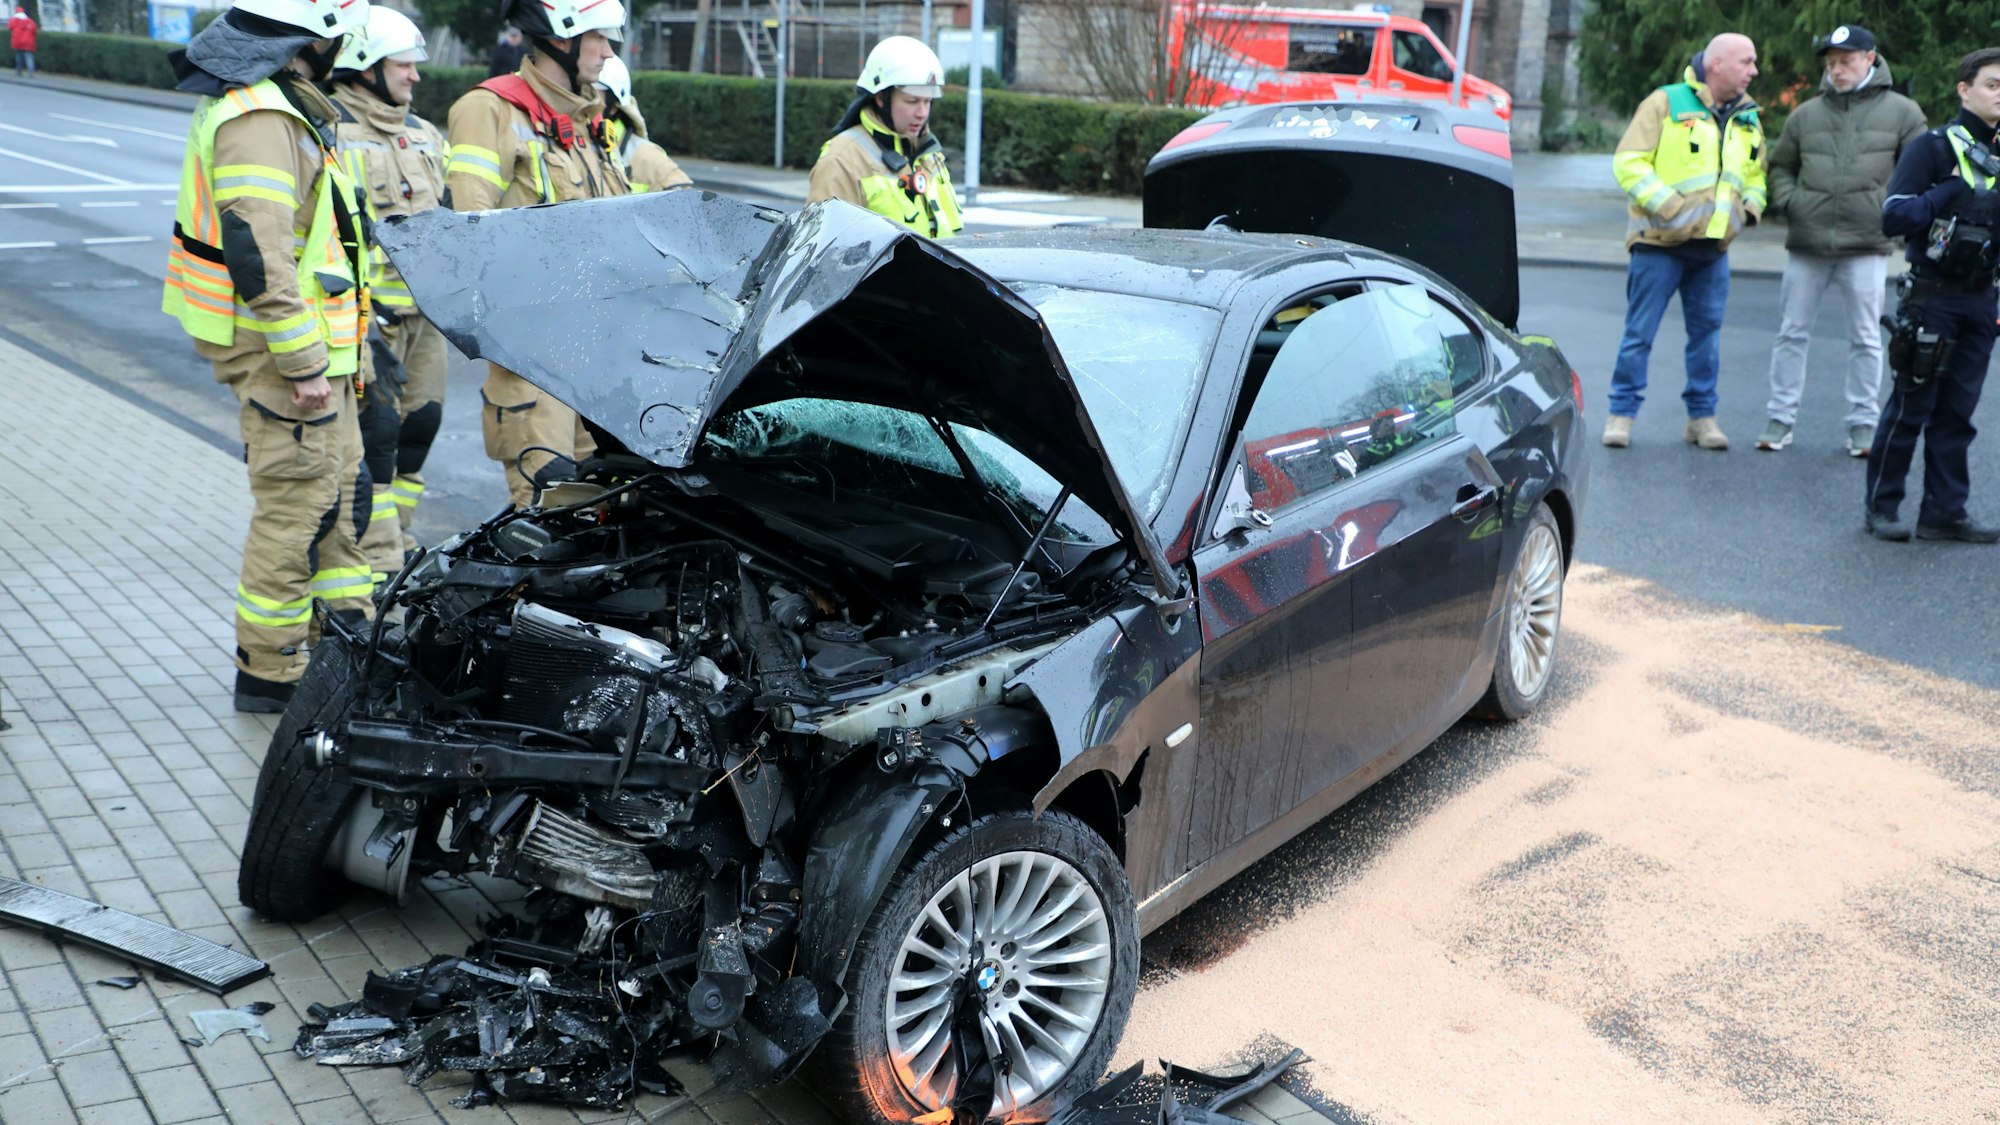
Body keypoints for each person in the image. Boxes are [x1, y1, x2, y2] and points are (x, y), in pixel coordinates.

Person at [160, 0, 376, 712]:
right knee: (299, 507)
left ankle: (344, 640)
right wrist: (305, 363)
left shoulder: (287, 107)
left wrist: (344, 357)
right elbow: (260, 252)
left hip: (318, 352)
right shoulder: (263, 117)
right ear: (306, 39)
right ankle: (270, 670)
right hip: (286, 357)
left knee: (339, 501)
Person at [446, 0, 630, 509]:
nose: (607, 51)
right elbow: (469, 239)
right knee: (548, 513)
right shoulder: (489, 111)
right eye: (598, 37)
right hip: (535, 361)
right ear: (561, 38)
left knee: (606, 516)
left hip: (600, 361)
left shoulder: (591, 123)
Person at [1759, 25, 1926, 456]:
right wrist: (1792, 202)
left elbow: (1919, 173)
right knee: (1791, 334)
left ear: (1870, 59)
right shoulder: (1805, 115)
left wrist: (1887, 212)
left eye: (1847, 60)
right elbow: (1780, 167)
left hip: (1867, 242)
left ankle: (1862, 426)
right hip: (1807, 241)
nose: (1837, 70)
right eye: (1831, 62)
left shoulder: (1904, 113)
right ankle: (1780, 419)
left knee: (1866, 339)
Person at [327, 6, 450, 580]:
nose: (415, 76)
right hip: (369, 324)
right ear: (363, 65)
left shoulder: (424, 136)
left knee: (417, 433)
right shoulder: (329, 133)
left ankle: (398, 543)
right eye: (404, 64)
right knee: (374, 444)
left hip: (424, 321)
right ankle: (372, 564)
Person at [1603, 33, 1767, 451]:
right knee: (1639, 335)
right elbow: (1628, 161)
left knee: (1706, 337)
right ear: (1717, 65)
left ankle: (1702, 419)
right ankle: (1621, 415)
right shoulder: (1666, 102)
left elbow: (1755, 175)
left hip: (1712, 250)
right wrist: (1672, 207)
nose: (1755, 71)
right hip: (1657, 243)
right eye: (1746, 62)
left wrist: (1748, 209)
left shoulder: (1748, 116)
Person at [1864, 48, 2000, 543]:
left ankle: (1945, 513)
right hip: (1932, 297)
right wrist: (1947, 191)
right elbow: (1895, 216)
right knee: (1910, 407)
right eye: (1993, 84)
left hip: (1981, 300)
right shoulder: (1934, 147)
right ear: (1965, 90)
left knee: (1958, 414)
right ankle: (1882, 507)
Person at [807, 35, 962, 238]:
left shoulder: (928, 154)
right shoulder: (842, 158)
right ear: (881, 98)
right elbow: (825, 249)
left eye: (928, 101)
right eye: (912, 100)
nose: (923, 112)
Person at [596, 55, 691, 192]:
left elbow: (685, 208)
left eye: (592, 93)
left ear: (614, 105)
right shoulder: (573, 147)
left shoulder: (649, 159)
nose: (584, 101)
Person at [9, 4, 35, 78]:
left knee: (19, 57)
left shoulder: (14, 20)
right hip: (28, 42)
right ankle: (31, 72)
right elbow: (34, 29)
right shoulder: (29, 21)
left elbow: (10, 27)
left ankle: (19, 71)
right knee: (29, 57)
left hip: (18, 42)